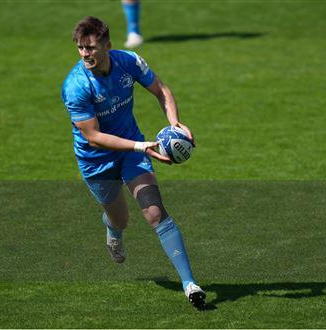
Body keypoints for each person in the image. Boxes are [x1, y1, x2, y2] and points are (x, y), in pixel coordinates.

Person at [61, 16, 206, 309]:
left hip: (131, 151)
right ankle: (113, 231)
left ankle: (190, 284)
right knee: (121, 219)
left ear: (107, 45)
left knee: (154, 212)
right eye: (80, 48)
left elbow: (161, 90)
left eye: (90, 47)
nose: (85, 54)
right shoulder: (76, 86)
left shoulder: (129, 62)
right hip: (96, 160)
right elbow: (93, 137)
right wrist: (142, 145)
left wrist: (175, 123)